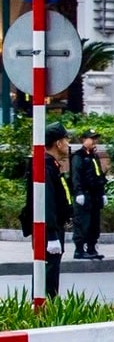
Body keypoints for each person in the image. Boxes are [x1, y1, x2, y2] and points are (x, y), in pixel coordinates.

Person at [17, 123, 74, 297]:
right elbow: (45, 201)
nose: (68, 143)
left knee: (49, 272)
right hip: (49, 230)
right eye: (66, 139)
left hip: (53, 227)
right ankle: (43, 314)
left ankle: (46, 309)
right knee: (47, 275)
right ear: (58, 143)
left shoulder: (51, 165)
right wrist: (51, 235)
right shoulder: (44, 166)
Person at [70, 129, 108, 261]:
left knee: (94, 223)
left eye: (95, 139)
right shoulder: (78, 156)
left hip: (95, 194)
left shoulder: (94, 156)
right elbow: (76, 176)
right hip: (84, 194)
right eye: (91, 139)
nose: (94, 141)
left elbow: (99, 176)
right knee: (82, 223)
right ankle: (79, 249)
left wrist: (102, 193)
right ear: (83, 140)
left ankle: (91, 248)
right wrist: (78, 192)